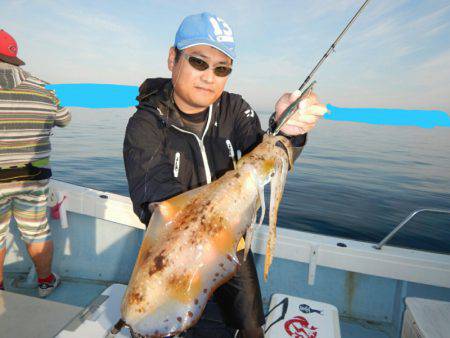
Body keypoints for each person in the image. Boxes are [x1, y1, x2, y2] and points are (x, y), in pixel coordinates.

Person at [123, 13, 326, 338]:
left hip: (234, 248)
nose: (209, 77)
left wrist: (286, 132)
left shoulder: (235, 109)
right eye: (199, 62)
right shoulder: (146, 125)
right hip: (174, 256)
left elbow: (264, 155)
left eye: (222, 68)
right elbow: (156, 198)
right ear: (173, 58)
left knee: (250, 329)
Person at [0, 29, 71, 297]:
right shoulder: (43, 87)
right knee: (37, 232)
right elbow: (65, 119)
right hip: (31, 177)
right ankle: (45, 282)